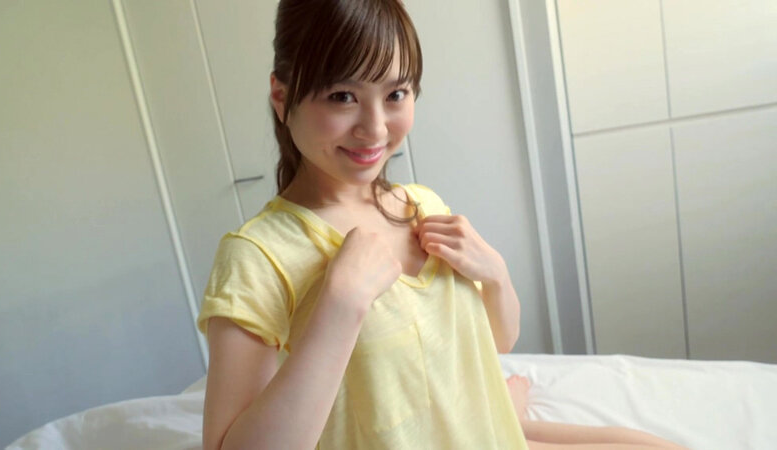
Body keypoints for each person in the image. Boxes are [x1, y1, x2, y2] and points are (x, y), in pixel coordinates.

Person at [196, 1, 687, 449]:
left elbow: (493, 343)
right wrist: (340, 306)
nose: (375, 128)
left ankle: (514, 416)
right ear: (282, 98)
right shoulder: (257, 256)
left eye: (396, 94)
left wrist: (496, 276)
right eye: (342, 96)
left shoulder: (421, 205)